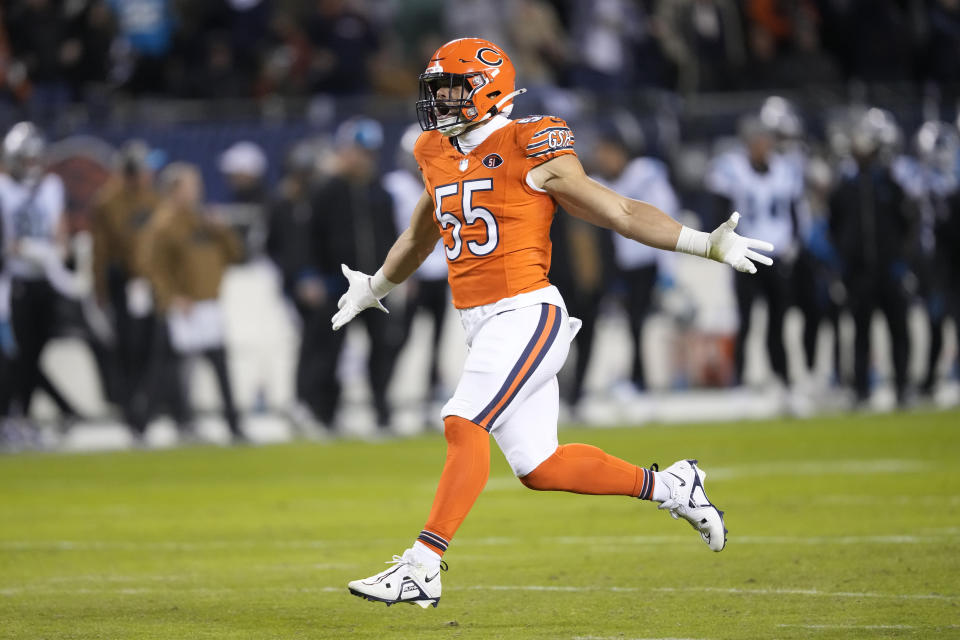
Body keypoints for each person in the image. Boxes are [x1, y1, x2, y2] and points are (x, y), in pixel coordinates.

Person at [333, 38, 774, 608]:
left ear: (489, 90)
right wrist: (376, 285)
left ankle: (423, 564)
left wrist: (701, 243)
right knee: (539, 466)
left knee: (462, 420)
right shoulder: (434, 150)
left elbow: (618, 210)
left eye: (451, 90)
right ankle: (673, 486)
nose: (439, 102)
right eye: (436, 90)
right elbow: (426, 229)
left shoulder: (528, 140)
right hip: (481, 321)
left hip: (526, 311)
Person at [307, 117, 403, 430]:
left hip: (376, 285)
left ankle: (381, 413)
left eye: (369, 153)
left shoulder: (380, 192)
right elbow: (311, 237)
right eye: (359, 151)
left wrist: (400, 276)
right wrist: (313, 276)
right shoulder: (327, 191)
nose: (364, 159)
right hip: (337, 285)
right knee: (330, 352)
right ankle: (325, 415)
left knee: (383, 349)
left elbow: (392, 237)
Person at [140, 162, 246, 442]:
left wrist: (222, 230)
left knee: (218, 367)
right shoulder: (164, 224)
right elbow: (153, 268)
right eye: (191, 186)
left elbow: (235, 255)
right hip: (182, 308)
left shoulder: (203, 221)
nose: (197, 191)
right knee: (166, 370)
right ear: (174, 190)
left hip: (207, 306)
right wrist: (172, 298)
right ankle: (145, 425)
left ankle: (232, 425)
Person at [705, 114, 801, 391]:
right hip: (744, 252)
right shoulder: (731, 168)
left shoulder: (785, 169)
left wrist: (794, 243)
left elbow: (793, 212)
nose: (762, 145)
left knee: (778, 321)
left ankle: (782, 377)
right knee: (745, 320)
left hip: (778, 253)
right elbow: (719, 210)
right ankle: (739, 379)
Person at [0, 122, 82, 429]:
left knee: (33, 355)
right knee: (15, 355)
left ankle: (21, 417)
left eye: (34, 159)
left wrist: (58, 249)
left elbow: (60, 233)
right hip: (13, 282)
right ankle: (14, 417)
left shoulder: (52, 186)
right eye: (25, 159)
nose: (31, 166)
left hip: (46, 281)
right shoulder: (3, 189)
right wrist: (15, 249)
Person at [829, 108, 913, 407]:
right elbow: (834, 225)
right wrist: (843, 263)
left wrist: (902, 260)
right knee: (861, 332)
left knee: (898, 329)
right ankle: (862, 389)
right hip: (858, 271)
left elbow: (907, 224)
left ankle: (903, 387)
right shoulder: (846, 185)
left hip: (889, 268)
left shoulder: (890, 181)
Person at [90, 139, 161, 438]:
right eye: (145, 169)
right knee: (128, 350)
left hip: (151, 284)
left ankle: (146, 409)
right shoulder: (108, 202)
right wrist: (101, 292)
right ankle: (131, 412)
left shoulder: (153, 198)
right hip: (125, 282)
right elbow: (102, 251)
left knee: (150, 349)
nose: (150, 175)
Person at [382, 123, 450, 404]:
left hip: (441, 270)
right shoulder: (394, 187)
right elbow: (392, 232)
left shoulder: (443, 182)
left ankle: (432, 393)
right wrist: (401, 275)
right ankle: (384, 392)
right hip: (412, 273)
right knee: (400, 338)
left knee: (438, 340)